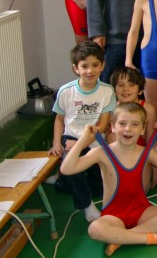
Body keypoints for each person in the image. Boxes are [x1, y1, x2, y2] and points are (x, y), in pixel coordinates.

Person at [60, 103, 157, 257]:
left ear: (143, 129)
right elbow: (66, 169)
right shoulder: (101, 152)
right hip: (114, 215)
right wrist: (83, 140)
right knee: (95, 229)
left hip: (141, 211)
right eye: (122, 123)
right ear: (113, 126)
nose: (128, 129)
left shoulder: (145, 152)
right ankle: (152, 238)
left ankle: (121, 239)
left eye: (135, 124)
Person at [49, 41, 116, 221]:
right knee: (72, 166)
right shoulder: (66, 91)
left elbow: (103, 125)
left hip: (95, 139)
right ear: (75, 68)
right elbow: (59, 120)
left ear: (102, 65)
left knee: (99, 186)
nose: (90, 71)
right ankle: (87, 206)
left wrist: (81, 143)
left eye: (95, 65)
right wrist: (56, 143)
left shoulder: (107, 91)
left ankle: (62, 182)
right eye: (84, 66)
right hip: (70, 137)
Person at [110, 66, 157, 186]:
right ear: (114, 89)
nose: (126, 89)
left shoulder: (148, 109)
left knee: (142, 188)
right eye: (120, 85)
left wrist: (155, 174)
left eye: (131, 85)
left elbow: (152, 142)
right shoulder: (111, 109)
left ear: (140, 90)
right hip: (119, 155)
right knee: (111, 137)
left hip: (141, 154)